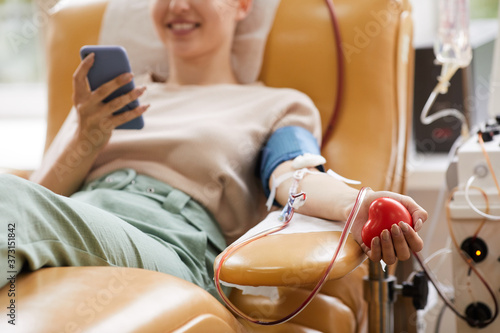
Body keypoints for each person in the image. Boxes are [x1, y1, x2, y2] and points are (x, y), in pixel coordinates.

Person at [0, 0, 427, 301]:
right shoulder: (106, 99)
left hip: (167, 242)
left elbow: (293, 175)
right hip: (71, 224)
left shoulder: (276, 104)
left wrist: (359, 205)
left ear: (241, 5)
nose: (178, 5)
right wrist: (86, 140)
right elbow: (36, 204)